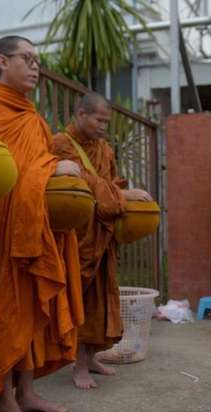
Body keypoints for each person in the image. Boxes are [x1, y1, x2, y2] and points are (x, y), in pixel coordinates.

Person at [0, 36, 85, 412]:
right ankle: (5, 404)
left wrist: (50, 167)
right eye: (28, 59)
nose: (36, 66)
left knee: (32, 308)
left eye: (38, 60)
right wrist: (50, 170)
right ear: (3, 61)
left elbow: (33, 162)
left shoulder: (33, 118)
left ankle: (27, 391)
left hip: (30, 224)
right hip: (0, 227)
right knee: (9, 308)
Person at [51, 93, 153, 390]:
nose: (103, 127)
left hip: (102, 236)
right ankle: (77, 365)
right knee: (80, 301)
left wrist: (122, 193)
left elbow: (109, 184)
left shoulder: (105, 149)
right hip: (76, 236)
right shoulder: (61, 144)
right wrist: (122, 196)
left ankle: (92, 357)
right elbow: (83, 184)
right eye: (99, 120)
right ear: (80, 114)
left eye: (106, 122)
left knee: (102, 300)